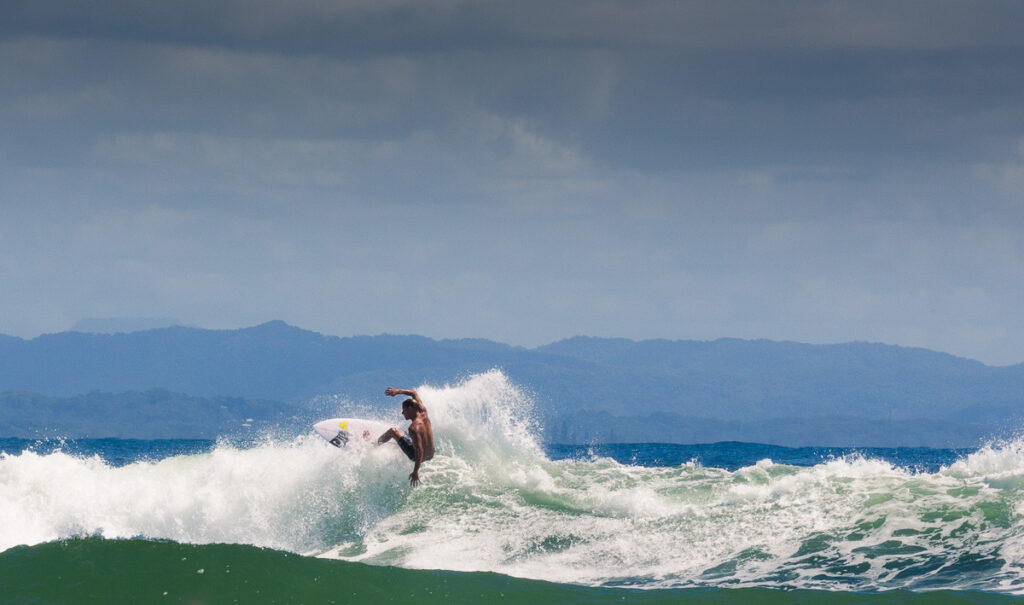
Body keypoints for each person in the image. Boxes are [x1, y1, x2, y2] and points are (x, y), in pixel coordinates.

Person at [377, 387, 435, 486]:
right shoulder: (423, 412)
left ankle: (375, 443)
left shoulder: (414, 428)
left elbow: (419, 451)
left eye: (404, 410)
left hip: (416, 456)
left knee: (393, 431)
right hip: (431, 454)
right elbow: (413, 393)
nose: (402, 413)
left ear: (410, 408)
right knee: (409, 436)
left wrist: (416, 471)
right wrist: (397, 392)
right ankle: (404, 439)